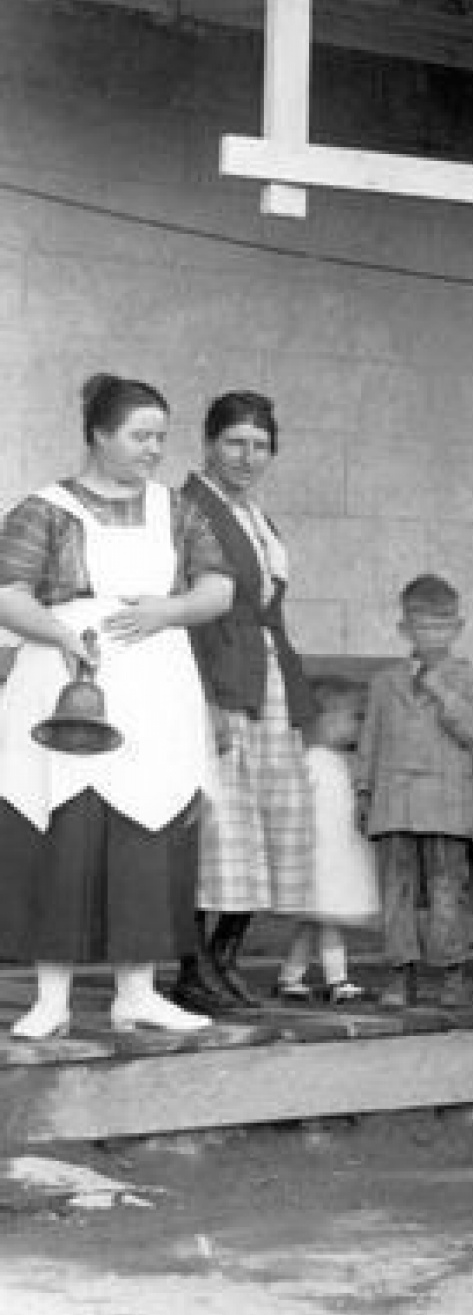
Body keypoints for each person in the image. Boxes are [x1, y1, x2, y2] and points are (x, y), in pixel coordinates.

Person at [0, 373, 236, 1038]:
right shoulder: (43, 509)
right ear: (99, 435)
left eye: (160, 436)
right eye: (140, 435)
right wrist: (59, 633)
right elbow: (8, 593)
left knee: (150, 827)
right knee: (63, 826)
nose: (154, 449)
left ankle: (138, 992)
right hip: (66, 679)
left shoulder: (176, 510)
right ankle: (51, 998)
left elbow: (218, 588)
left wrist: (170, 610)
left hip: (155, 683)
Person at [178, 390, 319, 1013]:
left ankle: (225, 958)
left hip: (269, 680)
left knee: (270, 821)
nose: (248, 456)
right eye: (235, 442)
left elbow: (271, 614)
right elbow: (189, 615)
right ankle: (194, 964)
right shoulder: (189, 510)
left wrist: (301, 704)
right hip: (220, 676)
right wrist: (204, 698)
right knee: (220, 827)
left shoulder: (258, 519)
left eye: (261, 446)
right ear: (209, 444)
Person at [359, 573, 473, 1011]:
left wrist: (440, 689)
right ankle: (399, 973)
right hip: (394, 802)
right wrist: (363, 789)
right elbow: (370, 739)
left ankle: (452, 973)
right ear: (405, 629)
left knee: (446, 891)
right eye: (422, 626)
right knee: (395, 892)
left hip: (447, 805)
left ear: (458, 628)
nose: (432, 635)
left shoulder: (472, 681)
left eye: (442, 626)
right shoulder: (385, 682)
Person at [275, 677, 378, 1004]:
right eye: (354, 717)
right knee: (328, 921)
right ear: (326, 719)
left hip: (331, 856)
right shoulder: (315, 762)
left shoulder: (330, 761)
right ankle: (338, 980)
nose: (359, 726)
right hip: (323, 859)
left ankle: (290, 977)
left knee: (312, 925)